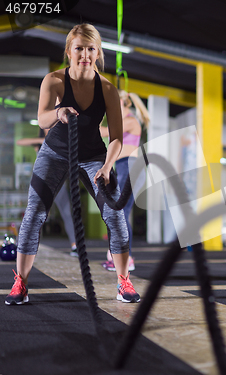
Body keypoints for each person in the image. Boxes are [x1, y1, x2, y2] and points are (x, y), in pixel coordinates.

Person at [5, 23, 140, 305]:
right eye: (79, 48)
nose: (85, 54)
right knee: (34, 214)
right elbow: (42, 120)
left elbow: (116, 138)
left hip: (93, 158)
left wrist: (106, 166)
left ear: (98, 52)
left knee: (115, 217)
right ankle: (20, 283)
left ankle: (123, 282)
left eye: (91, 49)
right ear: (69, 51)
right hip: (54, 153)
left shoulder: (107, 90)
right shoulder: (53, 80)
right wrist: (59, 111)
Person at [100, 90, 149, 272]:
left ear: (125, 104)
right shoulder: (123, 121)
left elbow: (104, 131)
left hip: (130, 166)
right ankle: (118, 257)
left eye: (115, 104)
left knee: (122, 212)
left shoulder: (130, 121)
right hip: (122, 166)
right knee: (118, 213)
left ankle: (126, 259)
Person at [16, 129, 78, 256]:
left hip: (58, 181)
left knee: (67, 213)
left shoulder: (61, 138)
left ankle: (75, 246)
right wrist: (40, 141)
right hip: (43, 181)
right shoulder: (40, 142)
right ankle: (23, 245)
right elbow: (19, 142)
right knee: (34, 212)